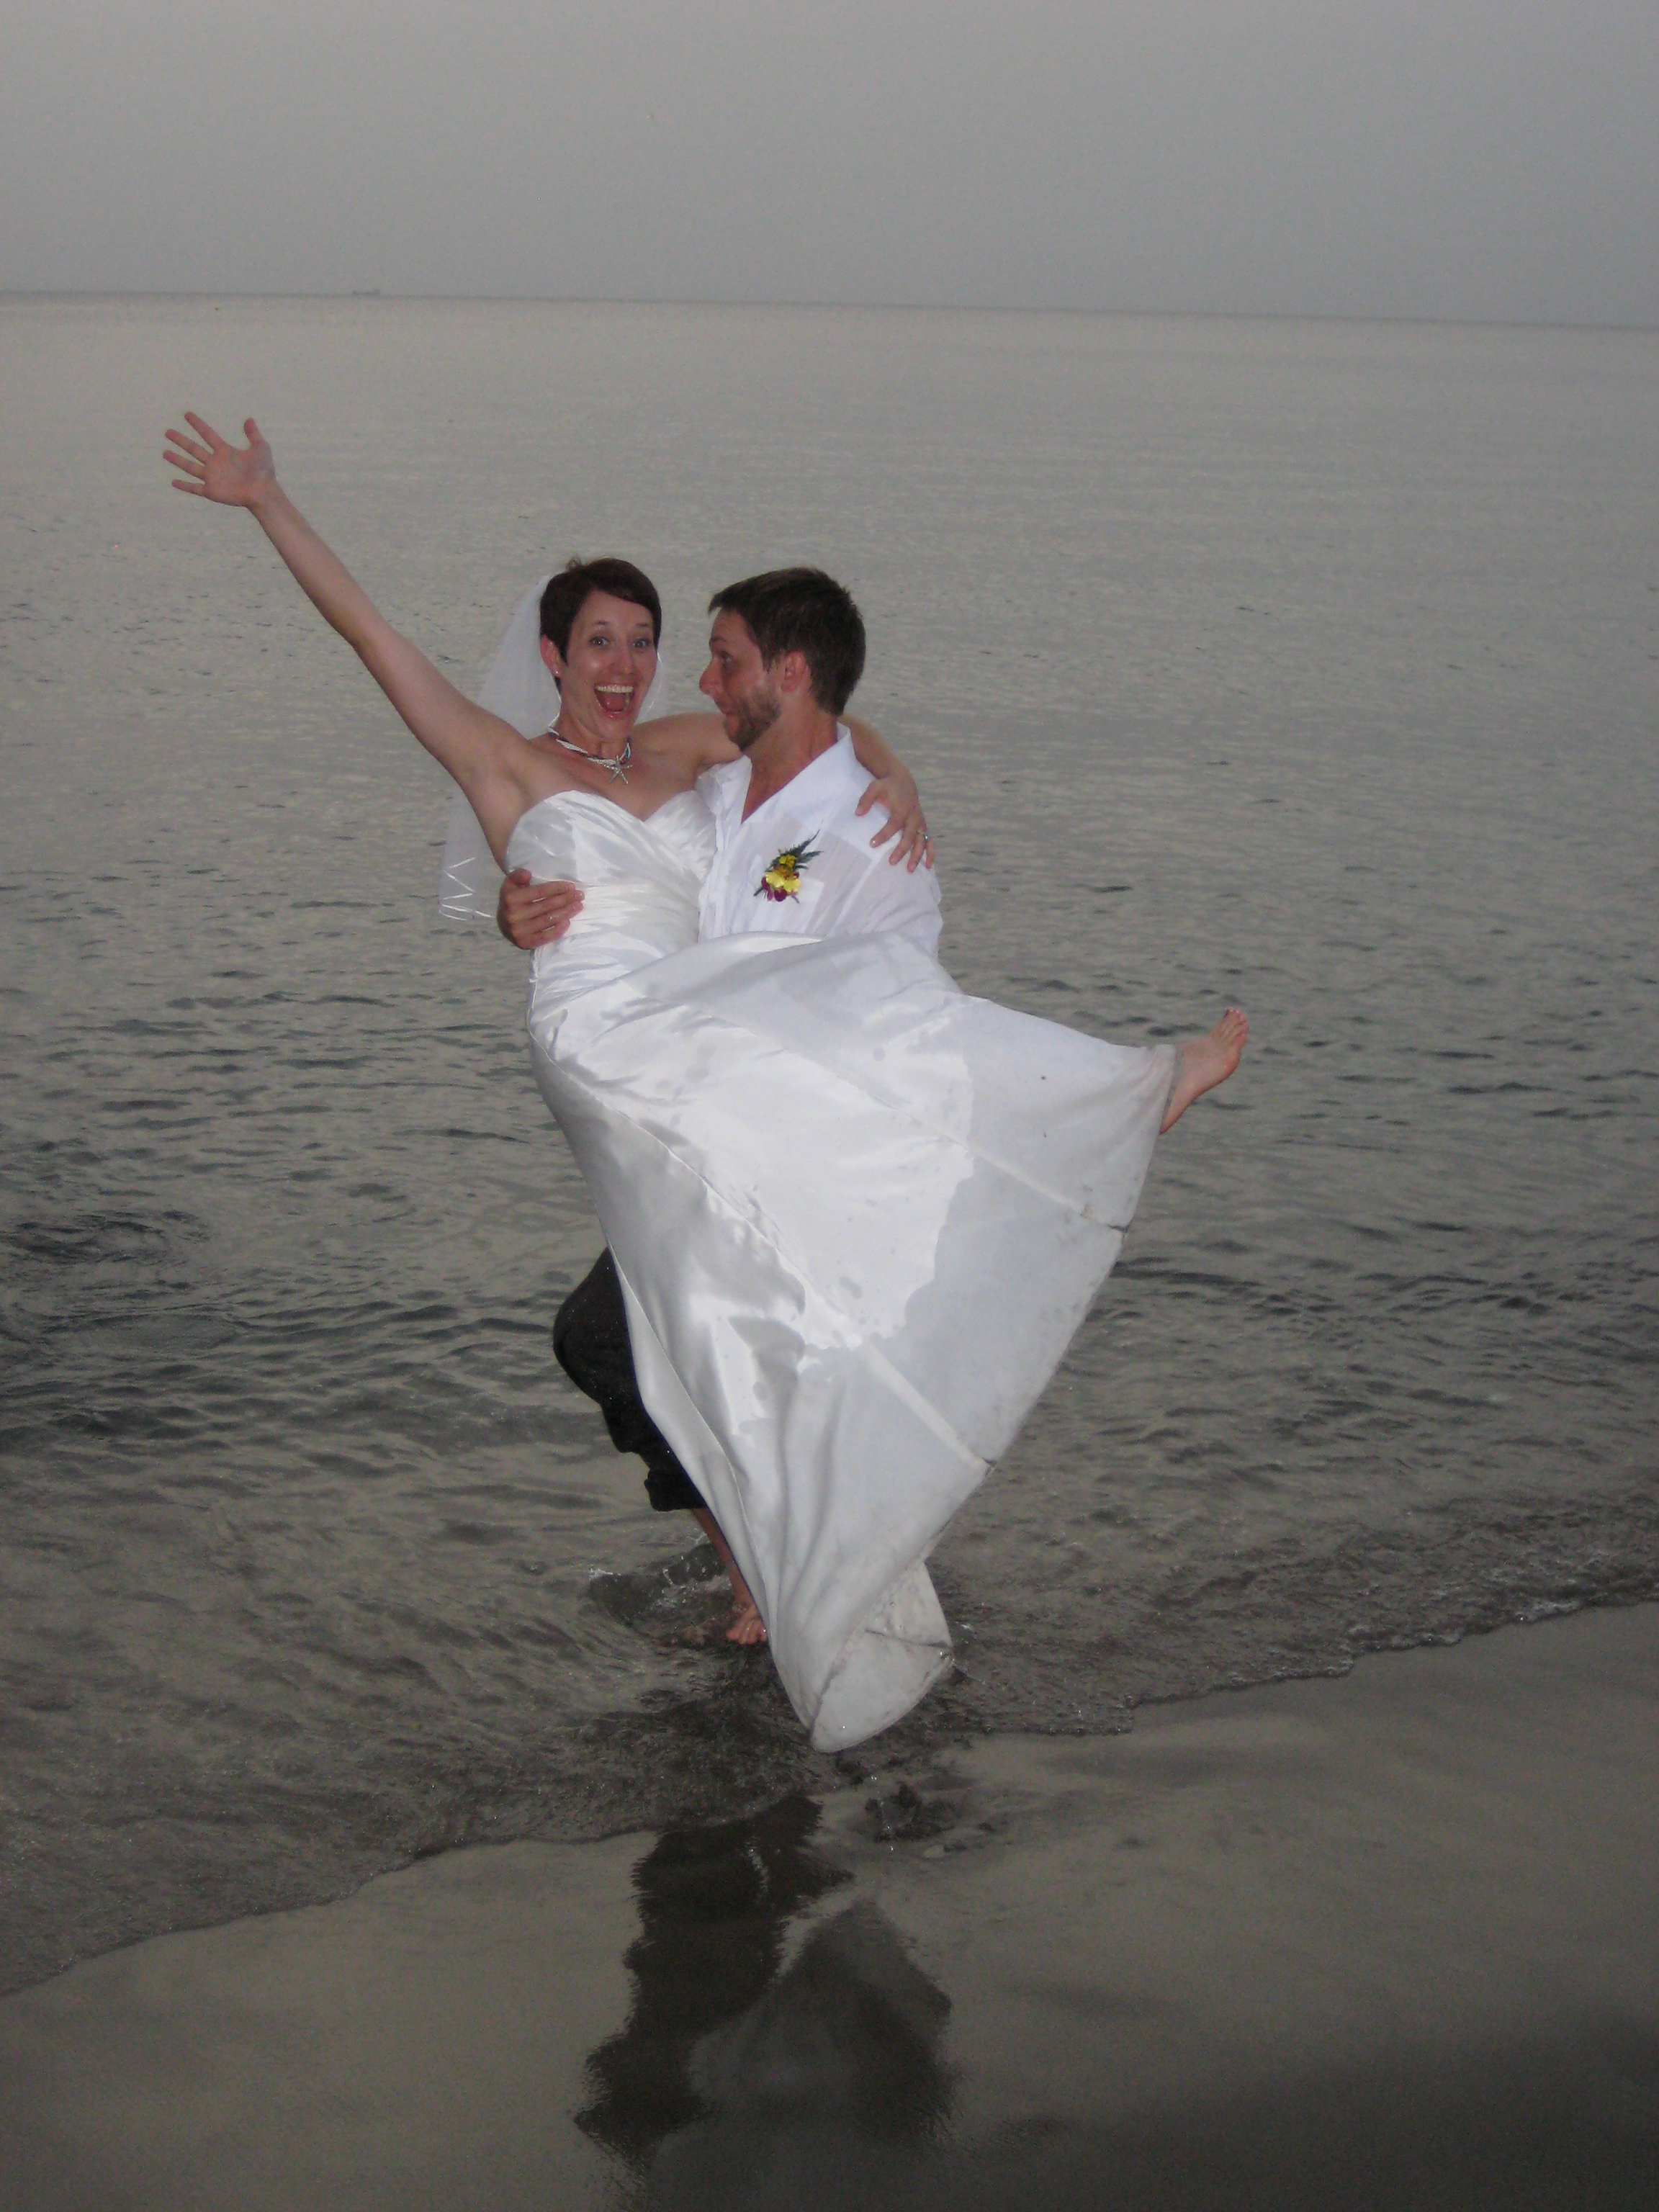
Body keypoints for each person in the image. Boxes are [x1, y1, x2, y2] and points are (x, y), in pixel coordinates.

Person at [164, 411, 1246, 1753]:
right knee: (802, 1101)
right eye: (599, 643)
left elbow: (811, 717)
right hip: (614, 1037)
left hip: (706, 1031)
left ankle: (773, 1561)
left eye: (646, 641)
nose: (627, 667)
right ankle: (1108, 1104)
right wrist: (269, 503)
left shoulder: (685, 749)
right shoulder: (507, 761)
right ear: (553, 656)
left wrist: (899, 772)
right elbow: (371, 637)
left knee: (717, 1281)